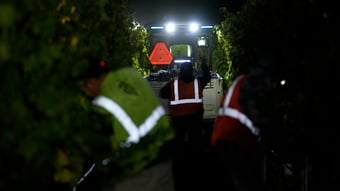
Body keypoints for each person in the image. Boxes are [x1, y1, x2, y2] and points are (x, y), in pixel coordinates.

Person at [74, 56, 175, 191]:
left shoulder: (101, 104)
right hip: (164, 155)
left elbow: (102, 148)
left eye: (85, 86)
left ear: (91, 82)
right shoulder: (130, 74)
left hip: (137, 168)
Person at [210, 62, 277, 191]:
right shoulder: (253, 84)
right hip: (234, 139)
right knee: (245, 183)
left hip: (225, 137)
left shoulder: (243, 80)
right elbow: (256, 114)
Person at [159, 59, 211, 191]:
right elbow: (208, 76)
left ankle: (179, 168)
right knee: (196, 143)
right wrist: (203, 64)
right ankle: (198, 168)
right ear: (193, 71)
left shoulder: (173, 84)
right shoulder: (198, 82)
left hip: (179, 119)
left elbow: (162, 93)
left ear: (180, 71)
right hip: (195, 118)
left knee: (178, 144)